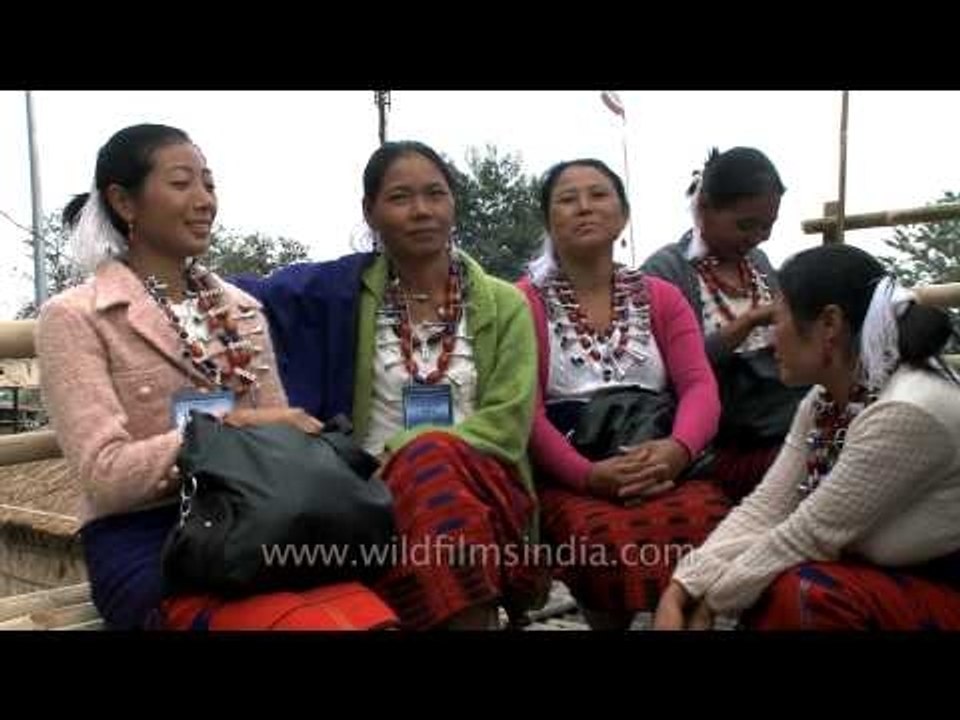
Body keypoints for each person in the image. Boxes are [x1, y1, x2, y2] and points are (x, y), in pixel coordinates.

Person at [35, 124, 397, 630]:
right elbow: (107, 476)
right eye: (183, 184)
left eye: (209, 183)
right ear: (124, 201)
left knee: (370, 616)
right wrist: (236, 429)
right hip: (149, 538)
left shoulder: (241, 309)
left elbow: (279, 448)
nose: (204, 200)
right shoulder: (77, 317)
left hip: (262, 523)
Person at [235, 140, 545, 630]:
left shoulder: (505, 304)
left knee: (434, 471)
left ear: (453, 203)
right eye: (400, 197)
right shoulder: (343, 294)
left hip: (481, 486)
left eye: (435, 194)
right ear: (370, 211)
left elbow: (506, 427)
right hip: (370, 494)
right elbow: (241, 295)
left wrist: (407, 450)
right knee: (432, 515)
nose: (421, 210)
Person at [654, 243, 960, 630]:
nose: (770, 339)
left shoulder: (907, 409)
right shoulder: (824, 400)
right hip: (890, 578)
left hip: (944, 588)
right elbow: (767, 507)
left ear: (828, 325)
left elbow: (806, 535)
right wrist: (681, 586)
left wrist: (708, 604)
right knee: (772, 578)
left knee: (800, 591)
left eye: (776, 319)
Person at [516, 158, 729, 630]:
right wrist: (590, 476)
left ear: (624, 213)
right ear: (549, 221)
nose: (584, 208)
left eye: (598, 195)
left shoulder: (661, 297)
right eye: (567, 200)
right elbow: (524, 412)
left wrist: (676, 451)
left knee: (705, 523)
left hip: (662, 462)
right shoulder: (522, 304)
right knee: (602, 539)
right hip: (574, 471)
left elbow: (699, 386)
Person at [643, 147, 807, 502]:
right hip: (723, 431)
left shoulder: (759, 263)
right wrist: (747, 323)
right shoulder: (665, 271)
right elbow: (670, 371)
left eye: (768, 226)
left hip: (779, 413)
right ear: (704, 208)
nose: (759, 236)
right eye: (746, 225)